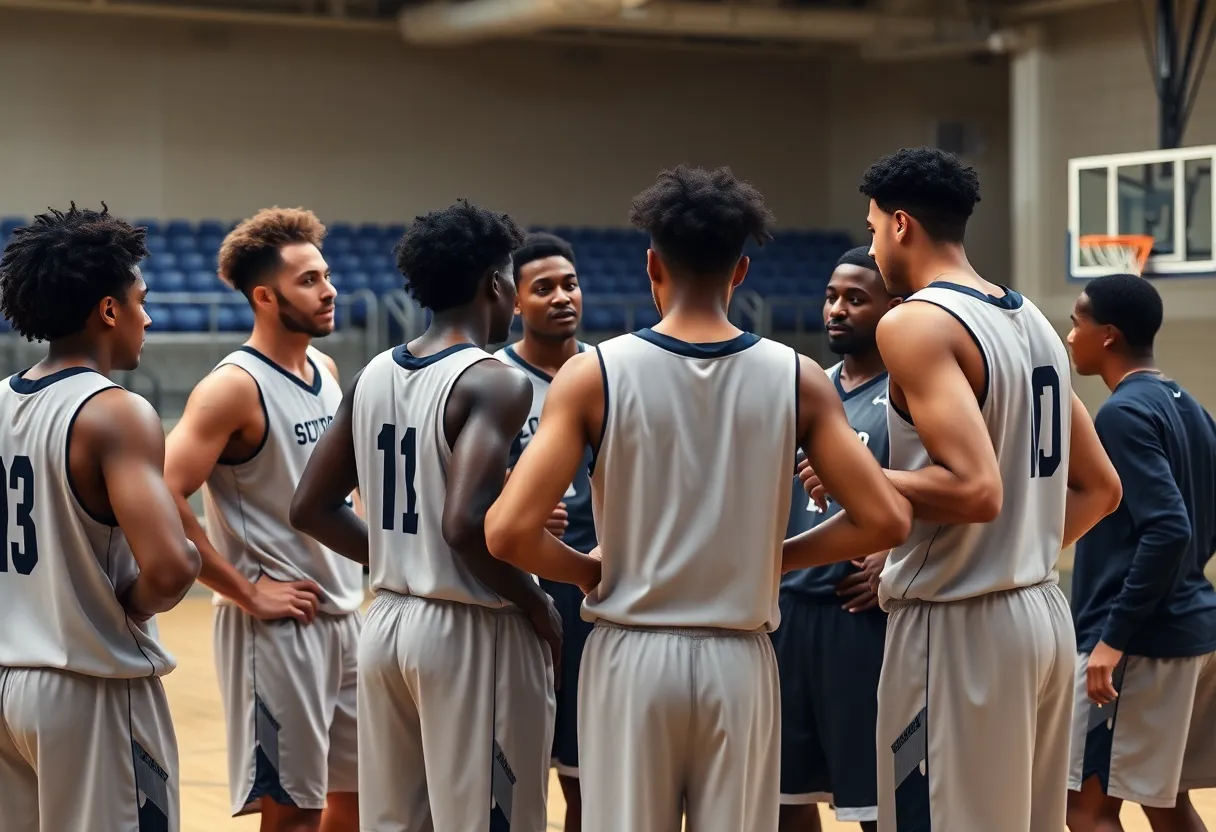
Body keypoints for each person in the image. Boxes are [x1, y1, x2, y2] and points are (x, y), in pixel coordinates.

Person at [484, 165, 912, 832]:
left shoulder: (592, 373)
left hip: (632, 654)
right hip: (738, 658)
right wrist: (780, 558)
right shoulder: (798, 377)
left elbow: (508, 532)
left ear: (652, 266)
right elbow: (885, 517)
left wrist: (590, 570)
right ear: (741, 271)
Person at [811, 146, 1123, 832]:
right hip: (1041, 613)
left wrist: (854, 472)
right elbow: (1101, 489)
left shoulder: (913, 320)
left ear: (899, 225)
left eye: (870, 228)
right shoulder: (1034, 321)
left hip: (960, 626)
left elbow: (976, 490)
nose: (872, 242)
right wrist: (1016, 549)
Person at [288, 199, 561, 832]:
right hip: (472, 629)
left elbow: (310, 506)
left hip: (385, 625)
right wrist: (535, 603)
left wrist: (392, 552)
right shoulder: (495, 380)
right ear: (495, 284)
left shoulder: (373, 372)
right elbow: (464, 526)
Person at [0, 203, 201, 832]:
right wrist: (132, 600)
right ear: (108, 310)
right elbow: (169, 570)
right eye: (139, 299)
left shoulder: (1, 400)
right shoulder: (116, 412)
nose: (147, 316)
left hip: (8, 683)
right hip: (89, 686)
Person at [162, 207, 362, 831]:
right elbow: (163, 493)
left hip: (343, 615)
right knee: (293, 813)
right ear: (264, 297)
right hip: (275, 630)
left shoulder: (325, 372)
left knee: (356, 801)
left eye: (326, 275)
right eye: (309, 280)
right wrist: (245, 589)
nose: (329, 289)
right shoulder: (233, 386)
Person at [1064, 273, 1216, 832]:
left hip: (1139, 644)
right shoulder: (1191, 408)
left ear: (1107, 335)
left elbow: (1169, 529)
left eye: (1076, 324)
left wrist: (1113, 639)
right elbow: (1198, 525)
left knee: (1085, 808)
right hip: (1190, 627)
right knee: (1165, 800)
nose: (1068, 336)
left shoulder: (1122, 413)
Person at [774, 246, 898, 832]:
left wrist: (899, 558)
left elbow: (956, 491)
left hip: (861, 618)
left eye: (855, 299)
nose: (837, 310)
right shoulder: (806, 388)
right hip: (787, 612)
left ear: (892, 306)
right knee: (784, 794)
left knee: (876, 801)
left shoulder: (909, 395)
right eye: (830, 297)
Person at [497, 232, 597, 832]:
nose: (562, 297)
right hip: (519, 592)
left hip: (595, 585)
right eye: (543, 289)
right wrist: (515, 499)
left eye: (571, 284)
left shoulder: (609, 371)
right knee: (516, 773)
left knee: (590, 775)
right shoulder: (492, 380)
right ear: (514, 301)